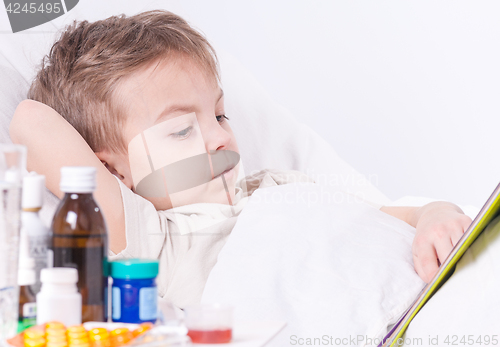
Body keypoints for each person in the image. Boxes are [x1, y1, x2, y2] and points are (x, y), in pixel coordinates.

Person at [9, 10, 472, 308]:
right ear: (113, 171)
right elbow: (29, 121)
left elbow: (391, 215)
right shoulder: (151, 236)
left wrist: (435, 214)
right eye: (182, 129)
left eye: (220, 113)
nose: (219, 137)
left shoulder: (275, 187)